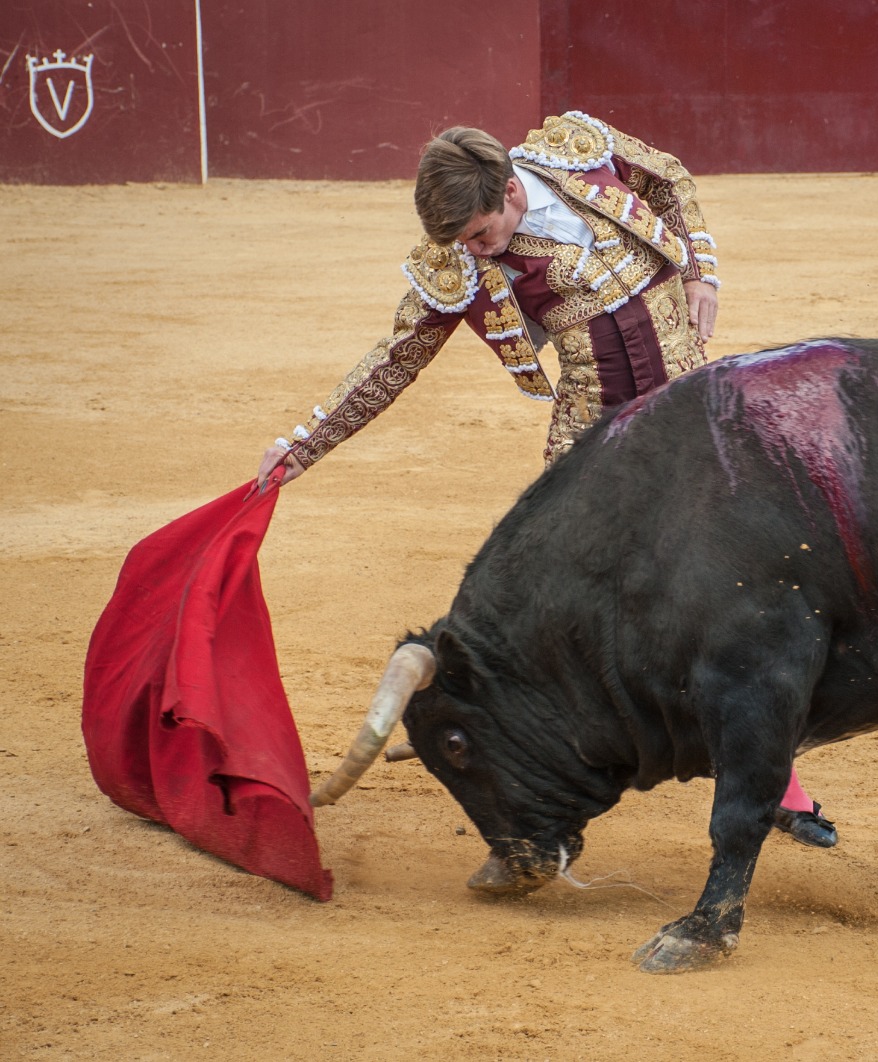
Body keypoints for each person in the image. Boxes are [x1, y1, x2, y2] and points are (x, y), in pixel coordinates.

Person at [255, 111, 838, 848]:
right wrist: (302, 447)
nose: (472, 250)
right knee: (606, 620)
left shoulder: (578, 153)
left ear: (508, 191)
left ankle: (771, 779)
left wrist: (701, 272)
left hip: (699, 424)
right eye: (461, 242)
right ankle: (536, 772)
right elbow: (392, 361)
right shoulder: (465, 265)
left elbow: (671, 179)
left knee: (740, 599)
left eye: (479, 232)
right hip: (595, 454)